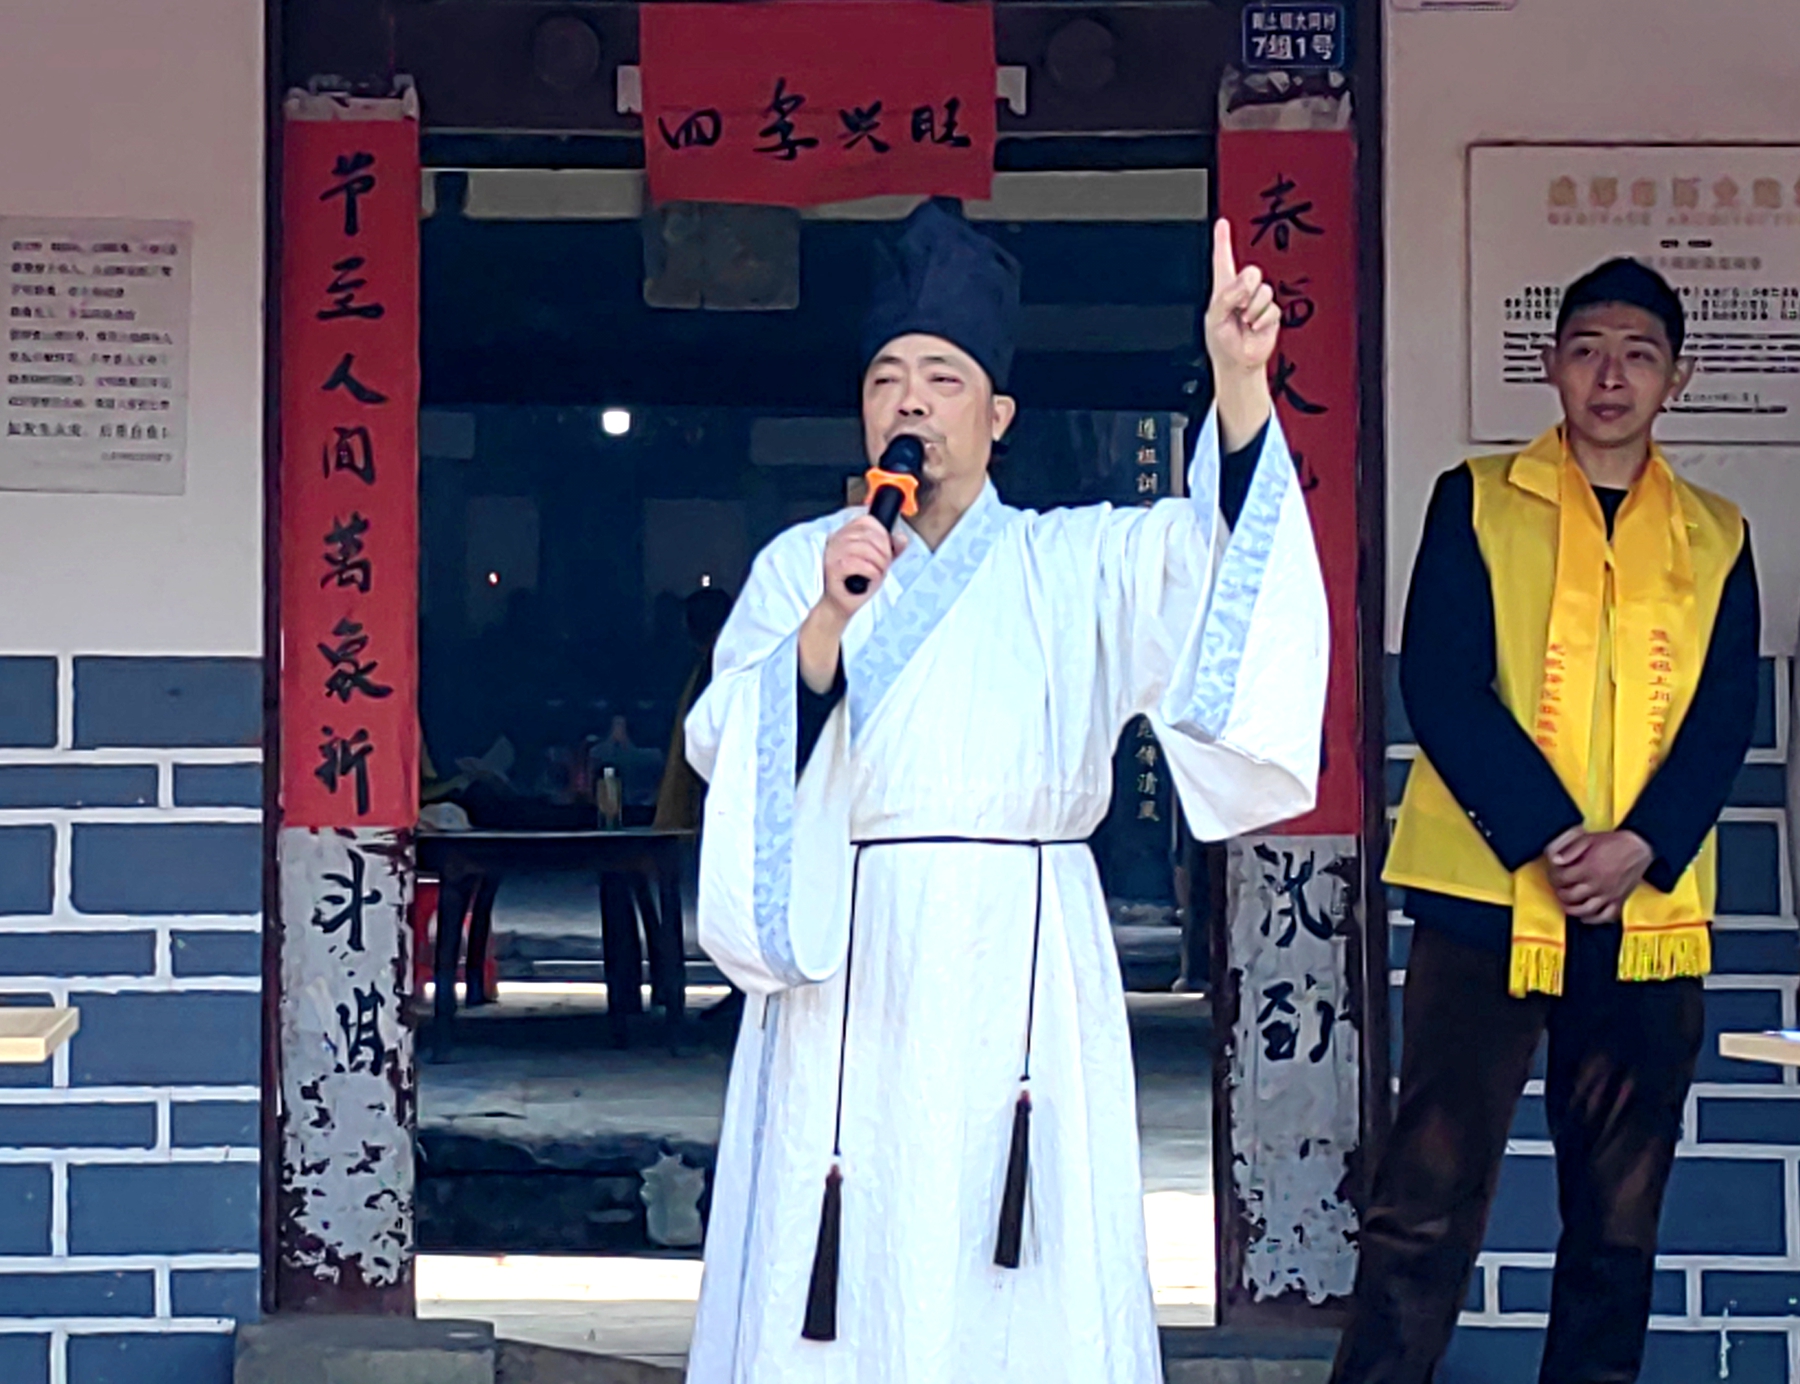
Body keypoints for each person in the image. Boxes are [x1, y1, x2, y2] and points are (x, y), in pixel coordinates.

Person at [681, 199, 1328, 1381]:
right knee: (848, 1250)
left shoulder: (1071, 563)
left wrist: (1239, 385)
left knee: (1022, 1264)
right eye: (887, 380)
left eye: (943, 379)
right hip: (852, 961)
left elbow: (1218, 567)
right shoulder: (800, 569)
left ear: (998, 414)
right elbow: (730, 742)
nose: (912, 404)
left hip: (1025, 967)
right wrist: (827, 621)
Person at [1339, 259, 1761, 1384]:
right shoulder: (1477, 499)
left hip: (1646, 913)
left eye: (1638, 355)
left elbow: (1725, 714)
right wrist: (1551, 840)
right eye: (1587, 351)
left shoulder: (1717, 533)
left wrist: (1641, 846)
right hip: (1485, 900)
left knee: (1618, 1219)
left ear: (1677, 377)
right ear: (1549, 365)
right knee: (1425, 1202)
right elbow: (1441, 681)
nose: (1610, 377)